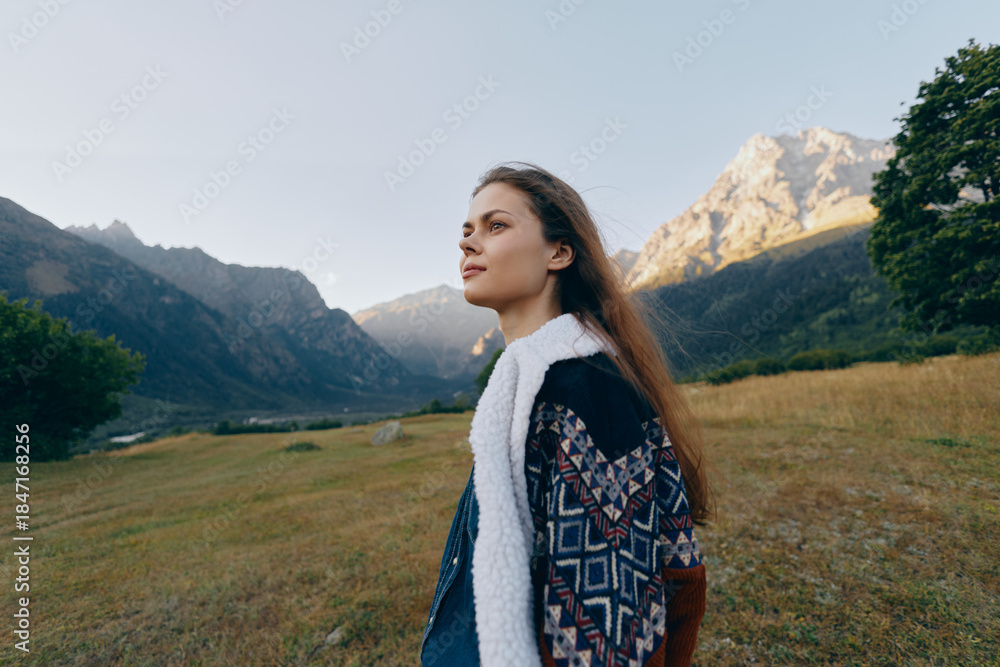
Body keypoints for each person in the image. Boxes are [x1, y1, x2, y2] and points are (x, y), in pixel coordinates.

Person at [420, 162, 717, 666]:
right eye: (466, 231)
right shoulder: (539, 382)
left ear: (558, 252)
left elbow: (611, 631)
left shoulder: (584, 390)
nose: (468, 244)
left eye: (495, 226)